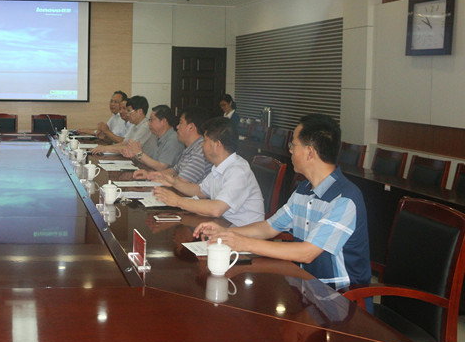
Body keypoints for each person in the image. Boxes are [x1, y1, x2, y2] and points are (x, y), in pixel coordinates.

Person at [195, 114, 371, 290]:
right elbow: (268, 228)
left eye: (293, 145)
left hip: (340, 297)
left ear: (310, 152)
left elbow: (307, 253)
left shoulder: (344, 199)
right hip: (306, 287)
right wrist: (226, 232)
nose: (290, 151)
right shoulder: (303, 190)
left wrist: (243, 243)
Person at [153, 116, 264, 226]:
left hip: (242, 231)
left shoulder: (238, 171)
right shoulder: (219, 166)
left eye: (205, 141)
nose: (202, 145)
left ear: (217, 145)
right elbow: (200, 191)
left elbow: (216, 209)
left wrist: (178, 201)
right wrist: (174, 182)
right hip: (223, 226)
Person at [133, 106, 212, 184]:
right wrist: (150, 175)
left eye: (180, 123)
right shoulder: (190, 148)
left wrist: (139, 154)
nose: (177, 127)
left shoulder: (200, 150)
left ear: (191, 127)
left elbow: (182, 181)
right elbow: (174, 170)